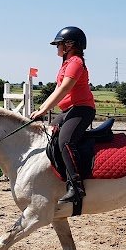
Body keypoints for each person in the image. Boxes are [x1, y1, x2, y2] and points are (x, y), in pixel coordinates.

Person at [30, 26, 96, 204]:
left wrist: (44, 110)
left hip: (82, 109)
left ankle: (76, 186)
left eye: (58, 44)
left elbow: (66, 88)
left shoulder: (76, 62)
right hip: (68, 110)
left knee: (65, 141)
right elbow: (57, 90)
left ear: (69, 44)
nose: (56, 48)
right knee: (50, 135)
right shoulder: (66, 64)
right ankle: (59, 177)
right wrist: (41, 110)